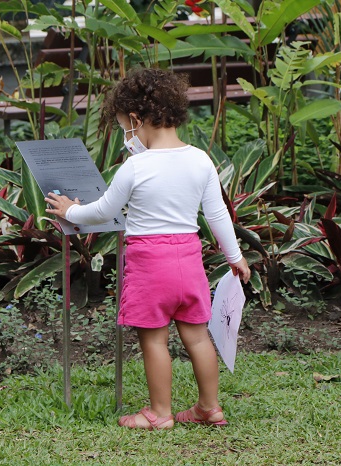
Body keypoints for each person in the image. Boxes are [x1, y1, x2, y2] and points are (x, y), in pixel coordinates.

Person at [45, 67, 250, 430]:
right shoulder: (200, 159)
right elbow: (217, 212)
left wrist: (69, 210)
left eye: (126, 126)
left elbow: (103, 210)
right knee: (198, 337)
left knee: (154, 340)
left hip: (149, 263)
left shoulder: (136, 167)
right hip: (189, 258)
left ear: (137, 119)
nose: (127, 135)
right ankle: (210, 407)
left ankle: (159, 413)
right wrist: (235, 257)